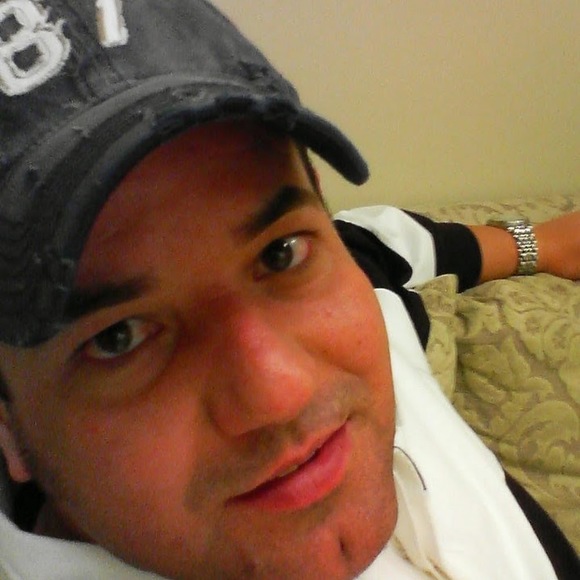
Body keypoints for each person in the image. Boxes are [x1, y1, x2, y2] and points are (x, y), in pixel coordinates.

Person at [0, 1, 578, 578]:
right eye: (119, 337)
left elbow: (383, 241)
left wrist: (541, 243)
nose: (281, 394)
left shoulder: (357, 273)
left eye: (278, 254)